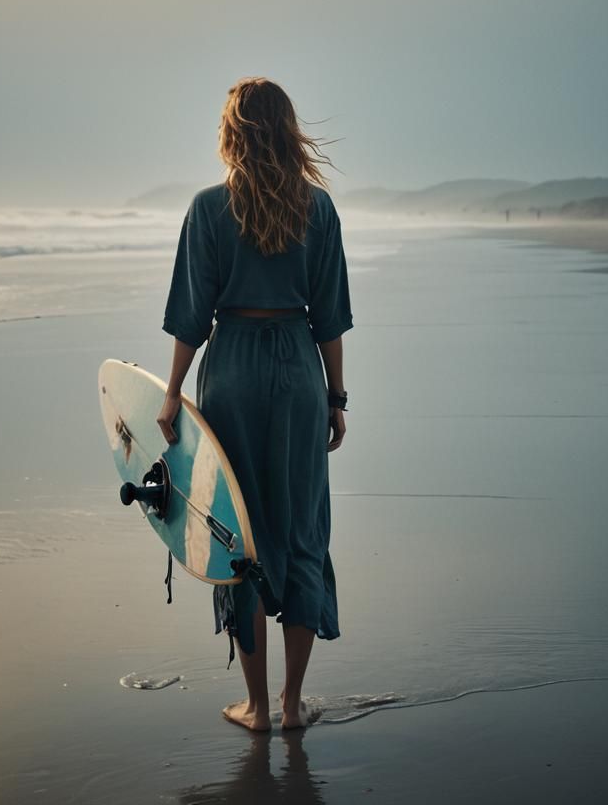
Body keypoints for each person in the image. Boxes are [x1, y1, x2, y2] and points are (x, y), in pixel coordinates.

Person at [156, 77, 353, 733]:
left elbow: (191, 317)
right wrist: (335, 397)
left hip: (232, 370)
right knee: (300, 532)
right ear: (288, 129)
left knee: (236, 537)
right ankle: (295, 705)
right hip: (298, 370)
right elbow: (330, 318)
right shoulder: (317, 211)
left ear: (232, 132)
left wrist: (169, 393)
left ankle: (259, 708)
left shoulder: (209, 209)